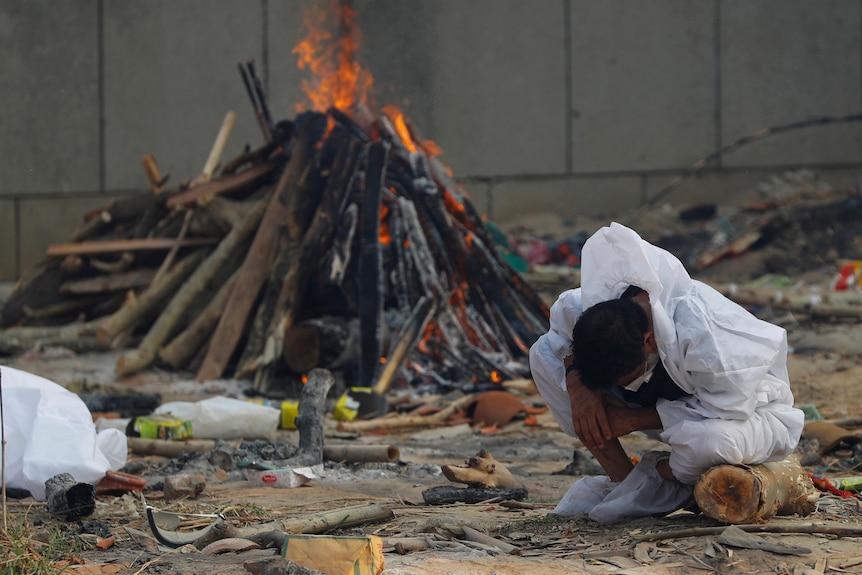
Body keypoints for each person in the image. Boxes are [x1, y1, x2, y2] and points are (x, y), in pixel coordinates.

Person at [529, 222, 804, 522]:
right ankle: (623, 479)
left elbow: (720, 412)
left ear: (648, 341)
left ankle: (662, 478)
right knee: (543, 355)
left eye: (627, 379)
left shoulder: (709, 343)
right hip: (669, 408)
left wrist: (632, 420)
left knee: (714, 443)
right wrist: (578, 383)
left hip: (750, 415)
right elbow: (559, 331)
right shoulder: (592, 307)